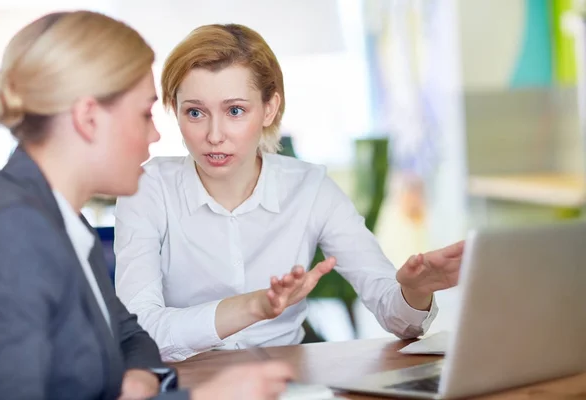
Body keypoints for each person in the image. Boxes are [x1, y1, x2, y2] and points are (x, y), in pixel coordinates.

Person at [0, 11, 294, 400]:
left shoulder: (63, 220)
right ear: (88, 118)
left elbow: (131, 335)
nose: (154, 134)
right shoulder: (11, 231)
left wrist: (141, 379)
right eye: (144, 113)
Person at [114, 23, 465, 363]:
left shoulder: (310, 188)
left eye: (235, 110)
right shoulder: (146, 188)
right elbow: (137, 333)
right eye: (195, 112)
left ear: (270, 108)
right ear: (174, 110)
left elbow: (398, 318)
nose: (214, 135)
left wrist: (416, 290)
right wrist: (252, 307)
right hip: (189, 383)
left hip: (286, 382)